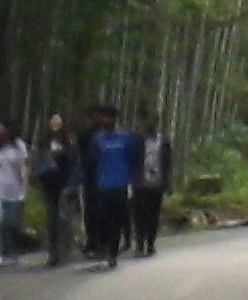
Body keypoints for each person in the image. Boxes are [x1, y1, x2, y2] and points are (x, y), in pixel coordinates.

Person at [83, 106, 136, 268]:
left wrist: (130, 179)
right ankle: (103, 246)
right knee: (103, 218)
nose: (106, 121)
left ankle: (112, 252)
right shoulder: (97, 139)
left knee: (117, 219)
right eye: (104, 118)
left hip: (120, 183)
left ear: (115, 120)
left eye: (109, 118)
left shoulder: (125, 138)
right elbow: (93, 159)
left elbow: (131, 158)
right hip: (103, 183)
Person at [0, 123, 31, 267]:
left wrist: (25, 182)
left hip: (14, 189)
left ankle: (12, 251)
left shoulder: (19, 146)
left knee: (12, 222)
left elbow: (24, 165)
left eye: (2, 127)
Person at [38, 113, 81, 268]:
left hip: (64, 184)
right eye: (52, 121)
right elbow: (39, 162)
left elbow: (75, 163)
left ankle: (65, 250)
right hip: (49, 184)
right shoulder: (44, 142)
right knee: (51, 219)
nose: (55, 124)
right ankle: (53, 252)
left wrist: (73, 183)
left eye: (58, 121)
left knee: (63, 218)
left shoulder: (69, 141)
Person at [129, 115, 171, 257]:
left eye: (152, 121)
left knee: (153, 214)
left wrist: (167, 182)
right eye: (147, 121)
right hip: (140, 182)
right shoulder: (137, 140)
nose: (149, 124)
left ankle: (150, 243)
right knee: (139, 213)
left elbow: (167, 162)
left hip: (156, 183)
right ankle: (140, 242)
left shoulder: (163, 141)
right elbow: (132, 160)